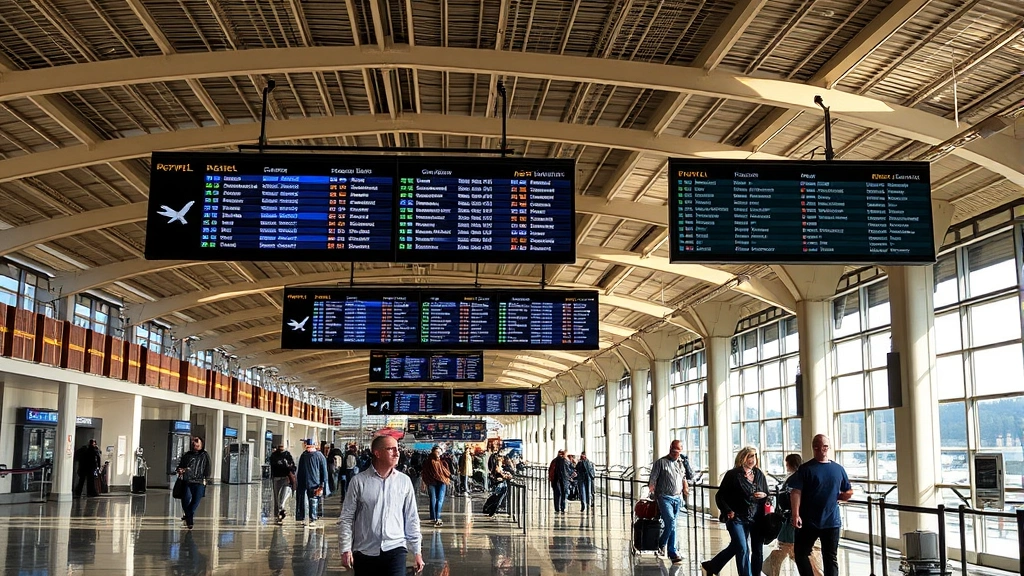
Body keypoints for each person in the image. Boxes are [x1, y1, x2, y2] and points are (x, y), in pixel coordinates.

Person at [339, 434, 423, 576]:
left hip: (396, 548)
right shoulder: (359, 481)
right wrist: (345, 548)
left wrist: (417, 551)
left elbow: (411, 517)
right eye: (391, 449)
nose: (397, 453)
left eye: (397, 449)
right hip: (365, 551)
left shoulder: (404, 481)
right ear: (377, 453)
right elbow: (347, 518)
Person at [790, 434, 853, 576]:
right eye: (818, 447)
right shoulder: (806, 469)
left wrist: (845, 495)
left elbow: (848, 489)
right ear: (813, 448)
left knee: (830, 557)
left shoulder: (838, 469)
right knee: (801, 554)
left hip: (831, 521)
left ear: (828, 447)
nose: (821, 450)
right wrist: (796, 514)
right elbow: (795, 492)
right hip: (808, 521)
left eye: (824, 446)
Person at [702, 446, 769, 576]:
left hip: (756, 517)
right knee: (742, 549)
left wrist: (764, 496)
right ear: (742, 458)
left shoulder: (759, 474)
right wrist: (728, 511)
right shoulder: (733, 475)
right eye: (749, 456)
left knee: (753, 549)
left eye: (754, 456)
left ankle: (713, 565)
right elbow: (720, 496)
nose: (752, 459)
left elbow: (767, 493)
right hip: (736, 518)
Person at [763, 454, 824, 576]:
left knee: (788, 549)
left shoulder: (793, 479)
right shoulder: (804, 477)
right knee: (792, 550)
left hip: (791, 520)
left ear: (790, 464)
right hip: (798, 519)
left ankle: (771, 570)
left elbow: (788, 499)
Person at [649, 439, 691, 565]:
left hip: (677, 498)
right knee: (671, 521)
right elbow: (653, 478)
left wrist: (685, 487)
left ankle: (672, 552)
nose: (675, 453)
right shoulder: (660, 463)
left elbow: (687, 476)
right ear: (670, 448)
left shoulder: (681, 463)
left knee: (673, 525)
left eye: (678, 451)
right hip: (664, 497)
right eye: (673, 450)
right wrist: (651, 488)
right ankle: (662, 543)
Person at [175, 436, 212, 530]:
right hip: (187, 481)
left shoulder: (204, 455)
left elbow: (208, 468)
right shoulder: (187, 455)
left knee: (196, 500)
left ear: (201, 443)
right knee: (185, 499)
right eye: (193, 442)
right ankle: (189, 520)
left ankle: (188, 515)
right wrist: (181, 470)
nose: (194, 443)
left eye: (196, 441)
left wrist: (206, 479)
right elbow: (180, 466)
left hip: (199, 481)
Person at [296, 438, 330, 527]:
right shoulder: (304, 455)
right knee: (304, 500)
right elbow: (300, 470)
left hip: (314, 483)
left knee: (313, 500)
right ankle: (304, 517)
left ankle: (313, 517)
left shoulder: (318, 456)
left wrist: (323, 484)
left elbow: (324, 471)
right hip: (306, 482)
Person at [421, 445, 452, 527]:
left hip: (432, 482)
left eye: (439, 452)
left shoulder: (428, 461)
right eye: (437, 452)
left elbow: (424, 473)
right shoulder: (441, 462)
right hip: (440, 481)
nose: (438, 454)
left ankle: (433, 516)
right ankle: (437, 517)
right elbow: (447, 473)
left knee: (433, 499)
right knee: (439, 499)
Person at [269, 444, 296, 523]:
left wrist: (288, 467)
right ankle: (277, 514)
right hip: (276, 477)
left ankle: (281, 509)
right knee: (276, 497)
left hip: (285, 478)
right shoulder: (274, 455)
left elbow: (292, 466)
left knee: (283, 496)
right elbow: (273, 465)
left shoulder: (287, 454)